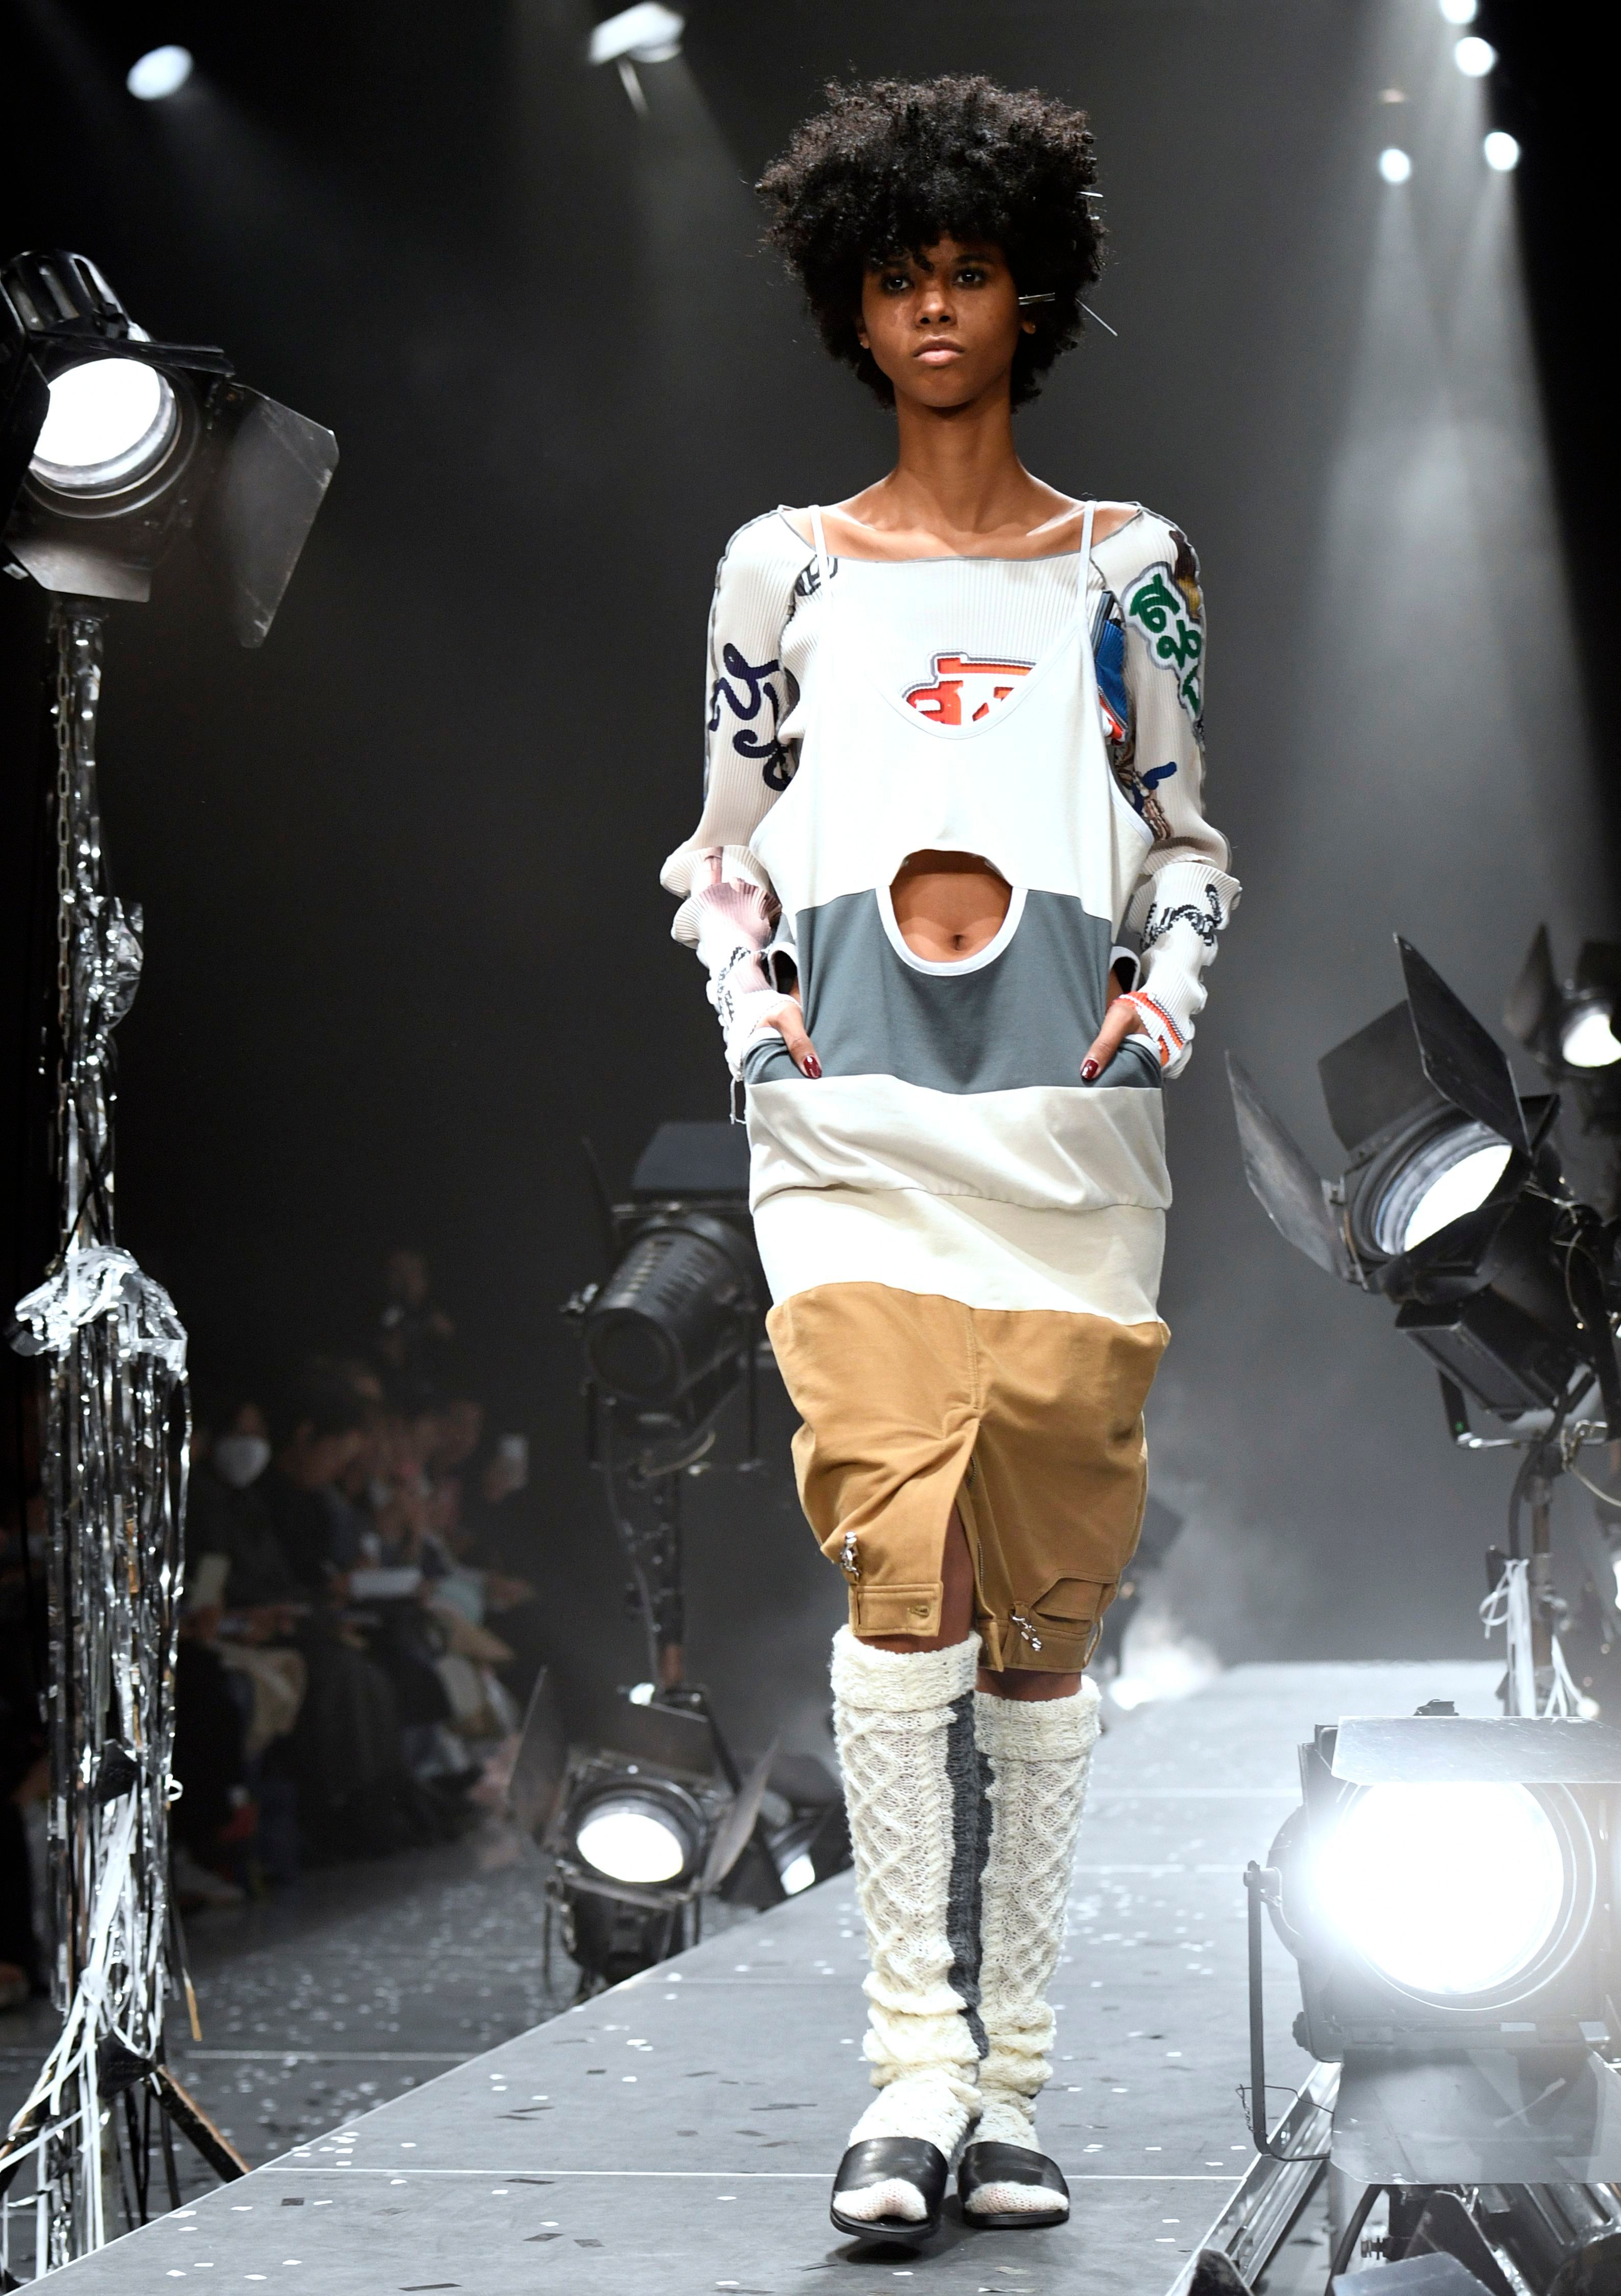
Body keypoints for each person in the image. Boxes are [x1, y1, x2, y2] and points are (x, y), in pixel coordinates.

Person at [660, 77, 1238, 2244]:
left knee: (1043, 1622)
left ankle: (1012, 2088)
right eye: (896, 275)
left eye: (967, 271)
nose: (931, 307)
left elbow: (1185, 840)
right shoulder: (783, 572)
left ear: (1028, 295)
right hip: (853, 1141)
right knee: (894, 1562)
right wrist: (758, 1024)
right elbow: (723, 857)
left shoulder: (1132, 570)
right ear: (850, 302)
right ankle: (908, 2067)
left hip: (1070, 1144)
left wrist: (1161, 1003)